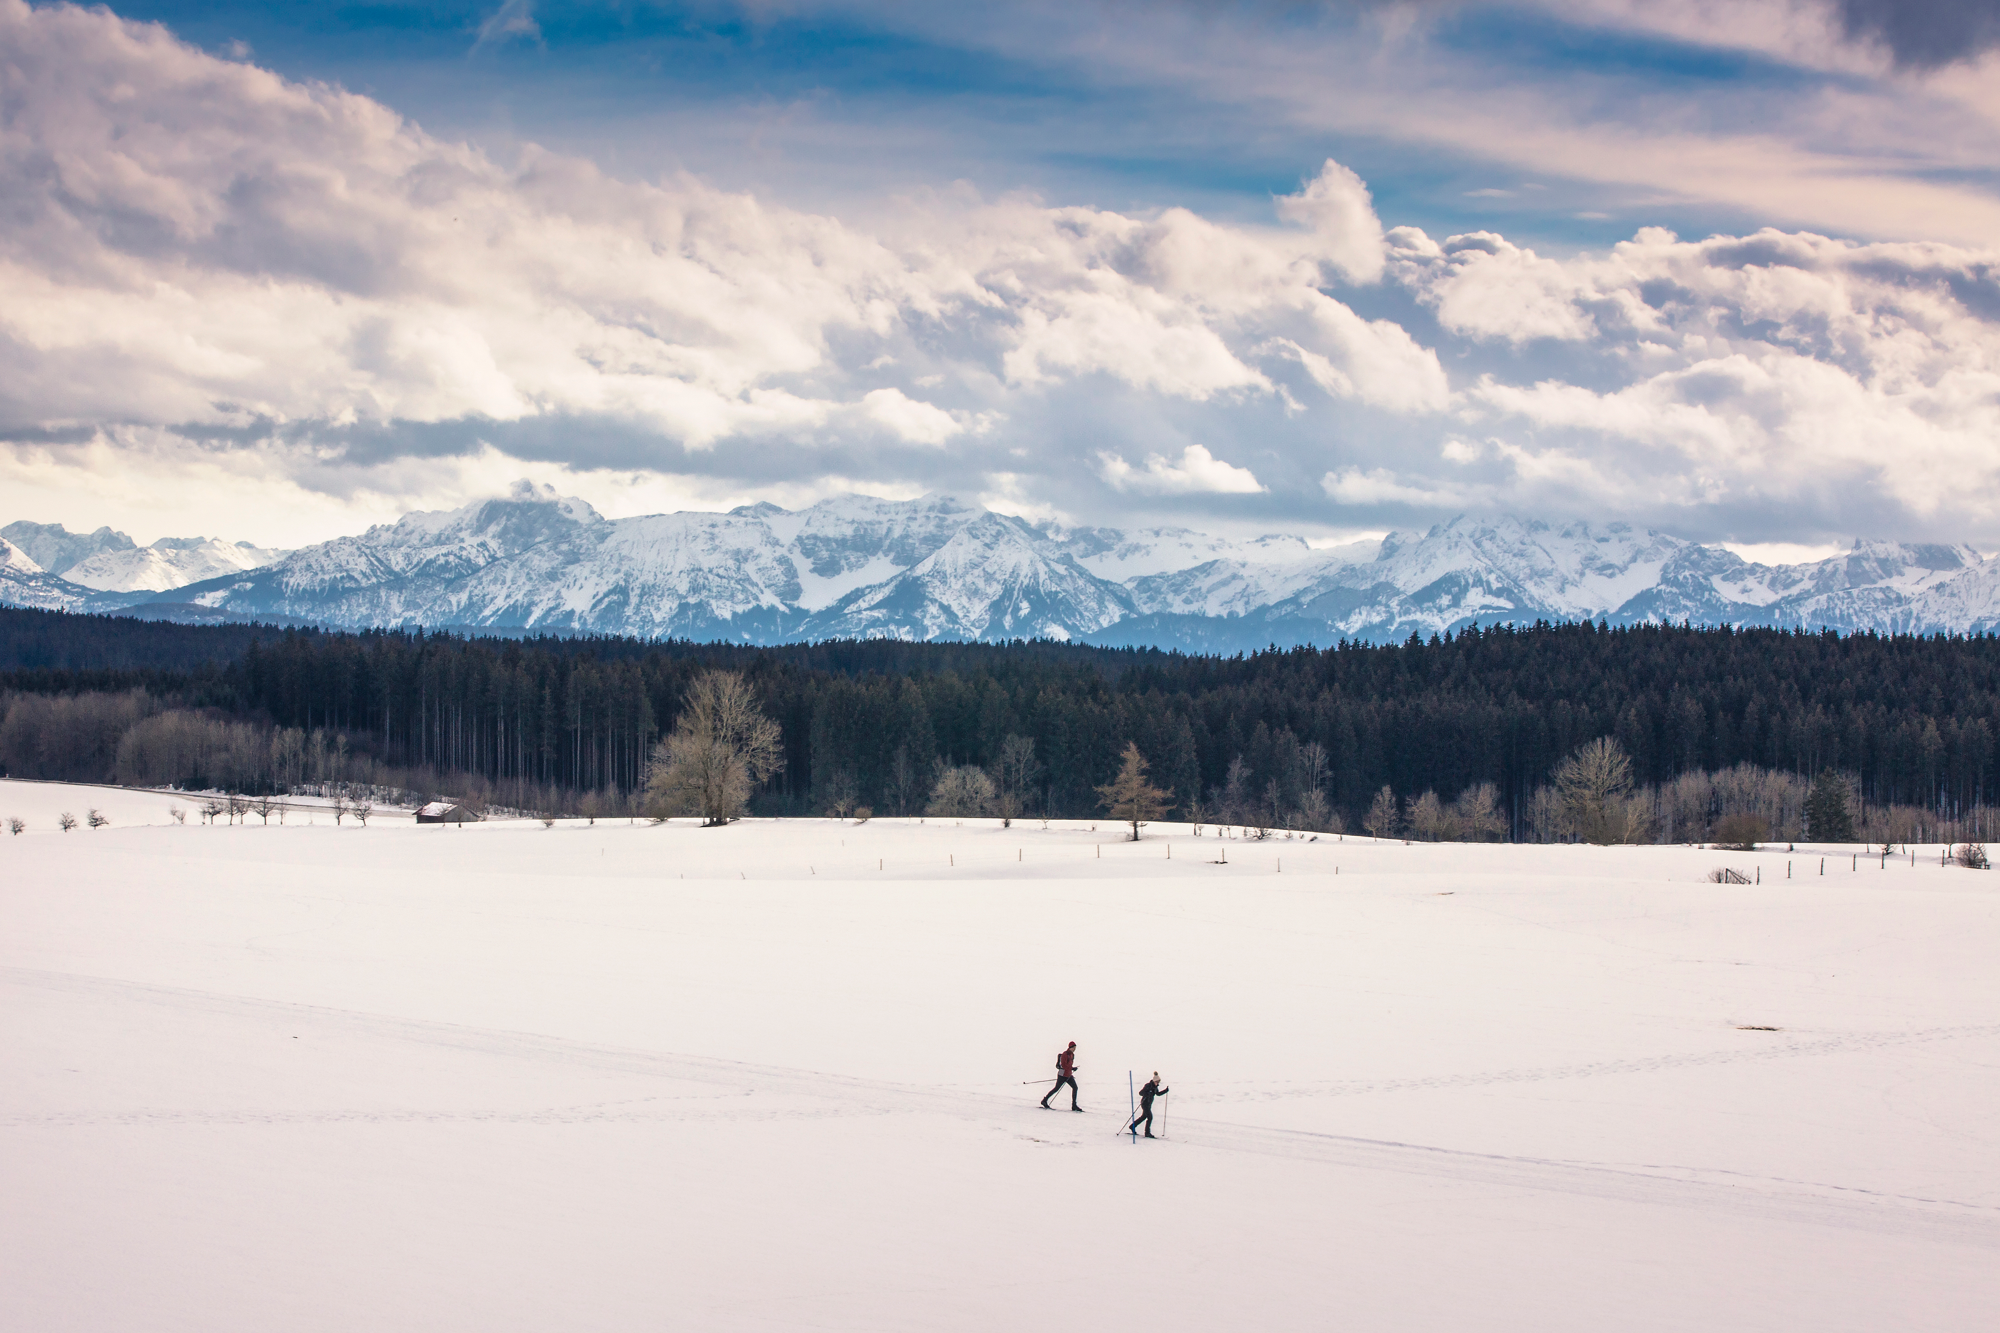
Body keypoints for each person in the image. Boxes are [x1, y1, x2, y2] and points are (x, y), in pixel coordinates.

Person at [1040, 1041, 1081, 1111]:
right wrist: (1072, 1068)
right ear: (1070, 1047)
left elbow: (1068, 1065)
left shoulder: (1072, 1055)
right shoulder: (1065, 1054)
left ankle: (1074, 1105)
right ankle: (1044, 1100)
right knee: (1056, 1089)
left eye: (1075, 1048)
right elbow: (1064, 1065)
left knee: (1075, 1088)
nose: (1074, 1049)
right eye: (1073, 1048)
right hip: (1062, 1075)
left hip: (1068, 1075)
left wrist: (1071, 1070)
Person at [1128, 1072, 1169, 1138]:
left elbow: (1158, 1094)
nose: (1158, 1083)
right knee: (1150, 1117)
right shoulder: (1148, 1085)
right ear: (1154, 1081)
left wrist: (1165, 1091)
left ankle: (1132, 1126)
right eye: (1157, 1082)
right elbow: (1140, 1093)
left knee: (1143, 1117)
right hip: (1144, 1103)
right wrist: (1147, 1092)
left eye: (1158, 1082)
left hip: (1149, 1104)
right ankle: (1147, 1133)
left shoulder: (1155, 1087)